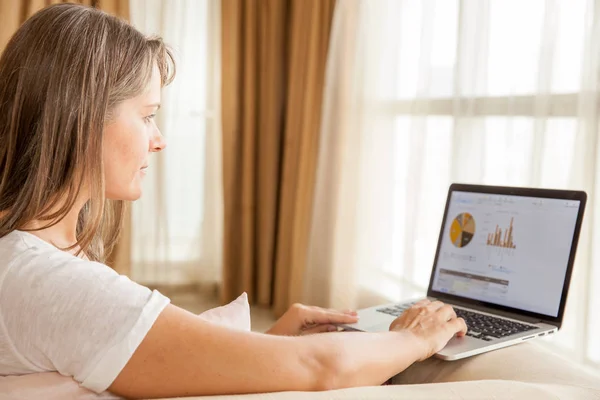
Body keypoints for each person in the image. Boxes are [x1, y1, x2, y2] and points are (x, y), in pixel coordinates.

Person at [0, 4, 467, 399]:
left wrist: (265, 347)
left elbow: (136, 363)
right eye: (146, 117)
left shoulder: (37, 256)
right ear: (81, 119)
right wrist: (414, 337)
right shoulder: (50, 282)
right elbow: (322, 368)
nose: (158, 141)